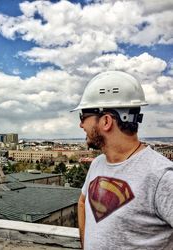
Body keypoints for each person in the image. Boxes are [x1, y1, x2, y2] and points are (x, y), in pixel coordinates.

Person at [71, 71, 173, 250]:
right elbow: (82, 202)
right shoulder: (98, 164)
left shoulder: (162, 177)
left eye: (83, 117)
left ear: (106, 121)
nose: (81, 125)